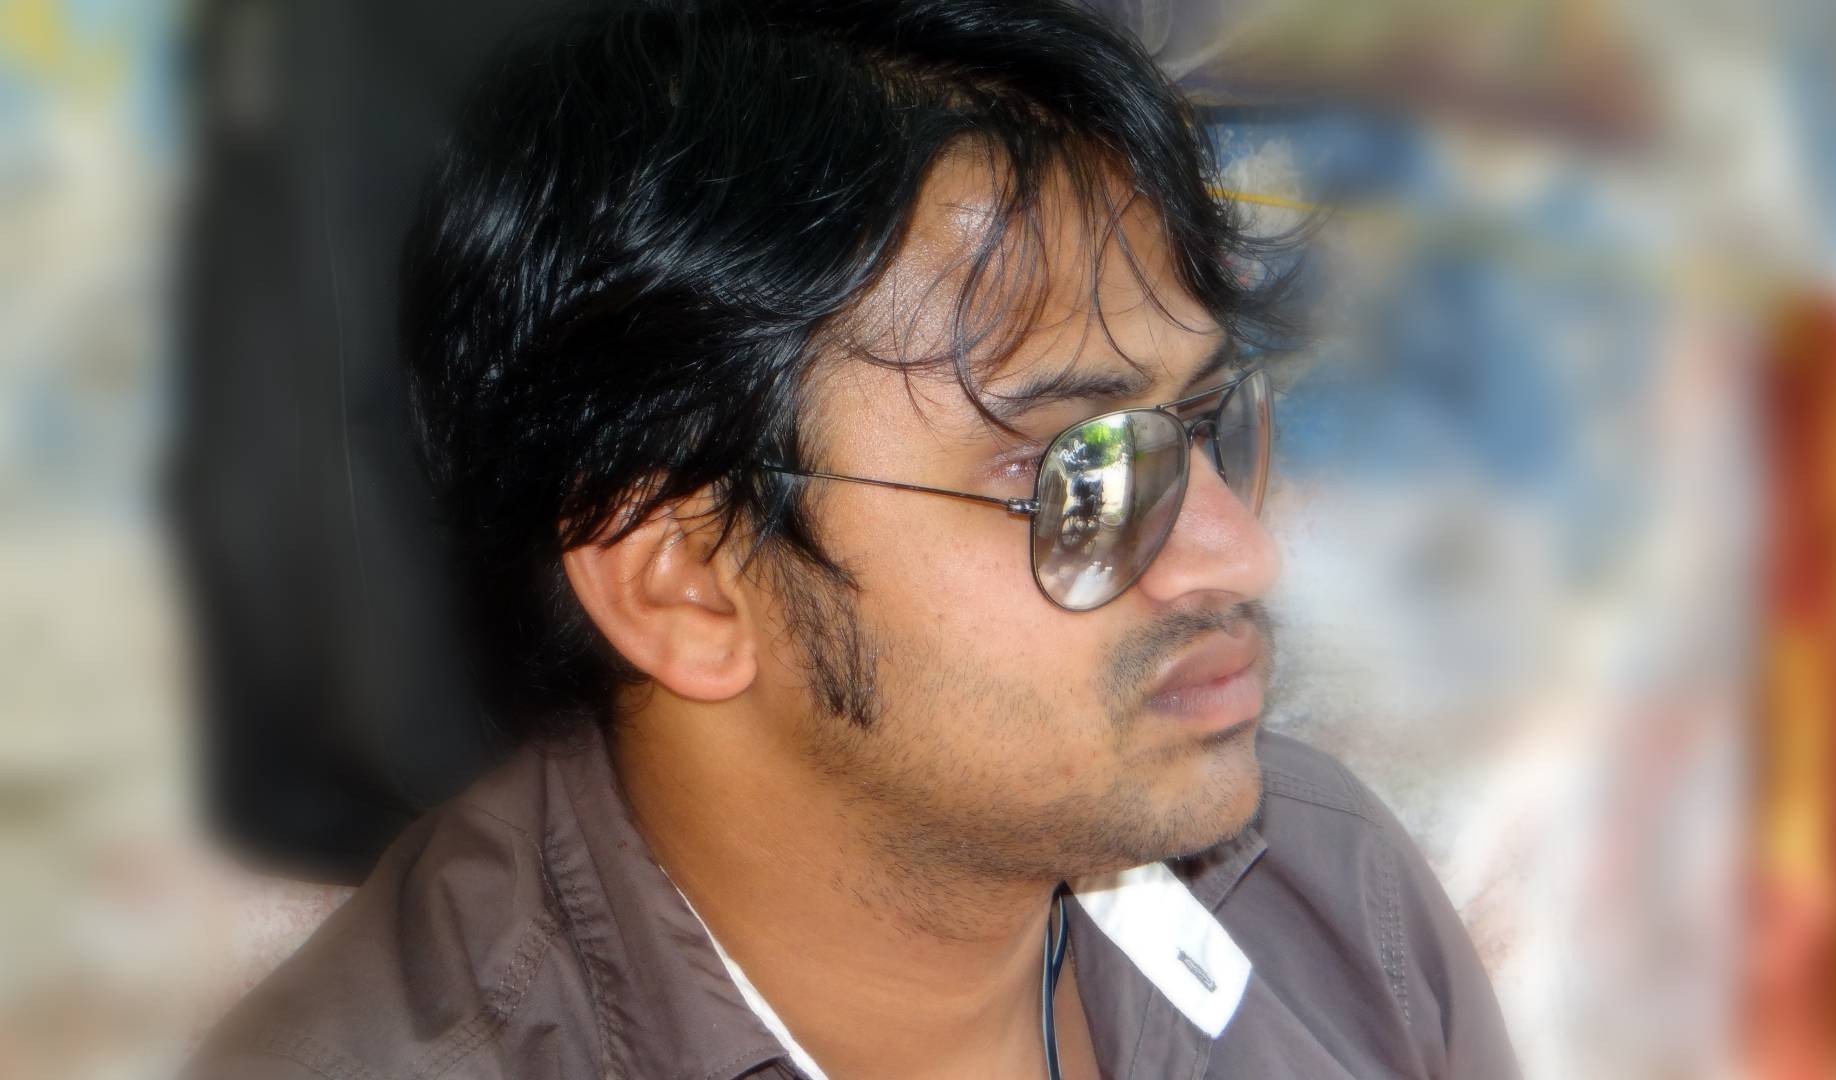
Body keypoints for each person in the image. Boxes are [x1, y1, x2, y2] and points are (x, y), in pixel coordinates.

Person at [189, 1, 1516, 1076]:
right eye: (1074, 464)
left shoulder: (1322, 893)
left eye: (1205, 421)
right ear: (685, 586)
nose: (1236, 555)